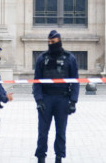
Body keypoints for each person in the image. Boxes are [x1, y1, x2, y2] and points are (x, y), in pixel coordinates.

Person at [33, 30, 79, 163]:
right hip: (46, 99)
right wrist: (39, 100)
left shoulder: (69, 58)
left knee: (60, 132)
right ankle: (41, 157)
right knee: (42, 132)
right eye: (49, 42)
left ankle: (59, 157)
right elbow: (36, 81)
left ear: (59, 41)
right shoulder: (42, 58)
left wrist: (73, 101)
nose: (51, 44)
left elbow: (75, 81)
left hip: (62, 99)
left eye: (53, 42)